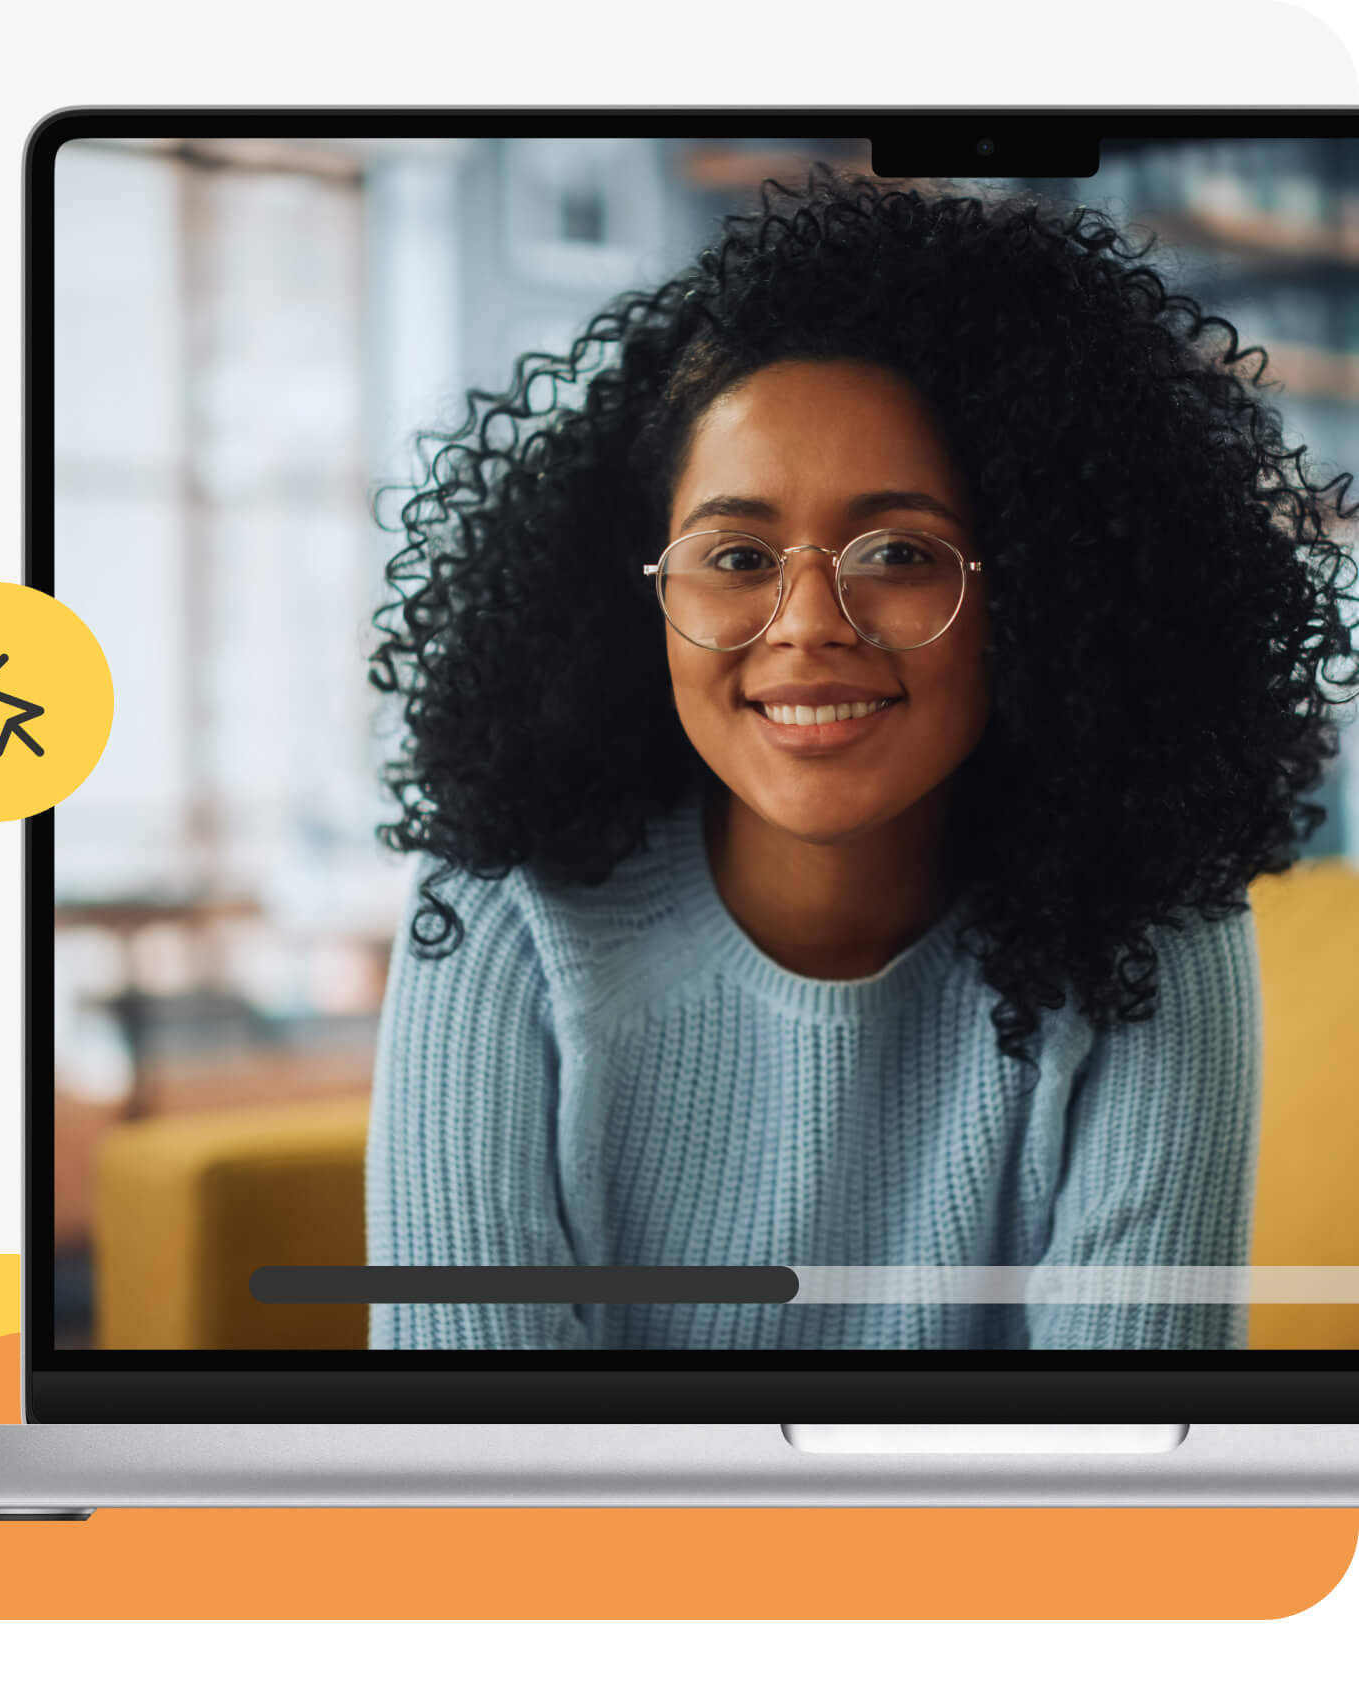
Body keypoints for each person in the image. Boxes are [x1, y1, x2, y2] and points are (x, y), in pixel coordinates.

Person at [361, 168, 1357, 1351]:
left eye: (898, 551)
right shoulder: (502, 912)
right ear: (641, 596)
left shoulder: (1150, 924)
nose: (807, 624)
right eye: (735, 557)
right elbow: (482, 1503)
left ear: (1039, 592)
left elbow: (1123, 1491)